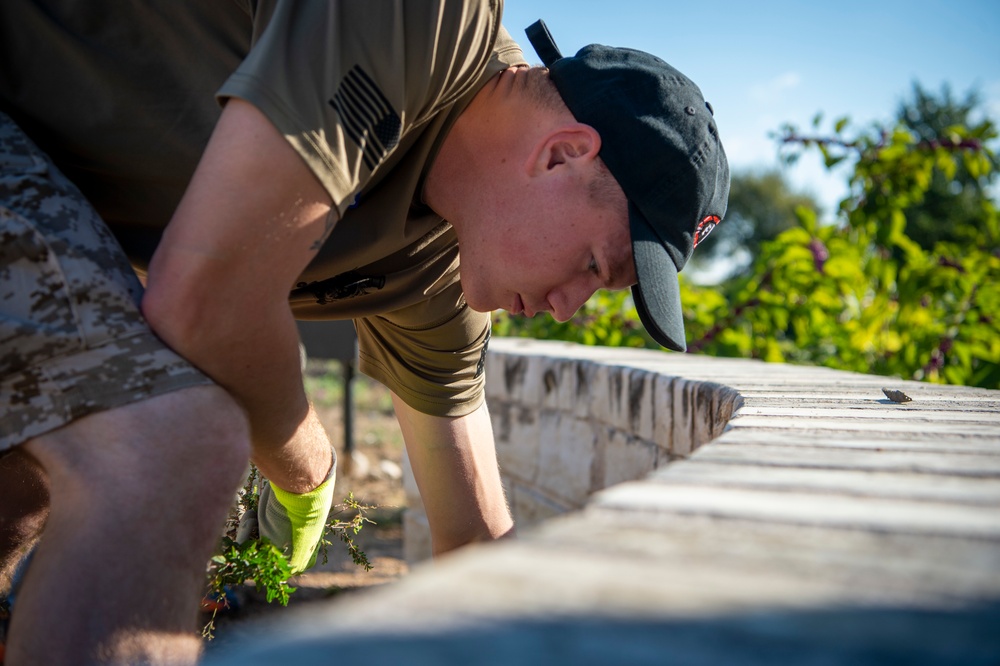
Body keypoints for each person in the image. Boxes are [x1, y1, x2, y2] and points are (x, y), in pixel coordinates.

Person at [0, 1, 728, 663]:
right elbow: (203, 306)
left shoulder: (446, 266)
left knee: (30, 477)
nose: (571, 306)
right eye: (596, 265)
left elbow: (473, 540)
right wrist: (309, 474)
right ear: (563, 153)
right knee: (163, 445)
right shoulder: (427, 18)